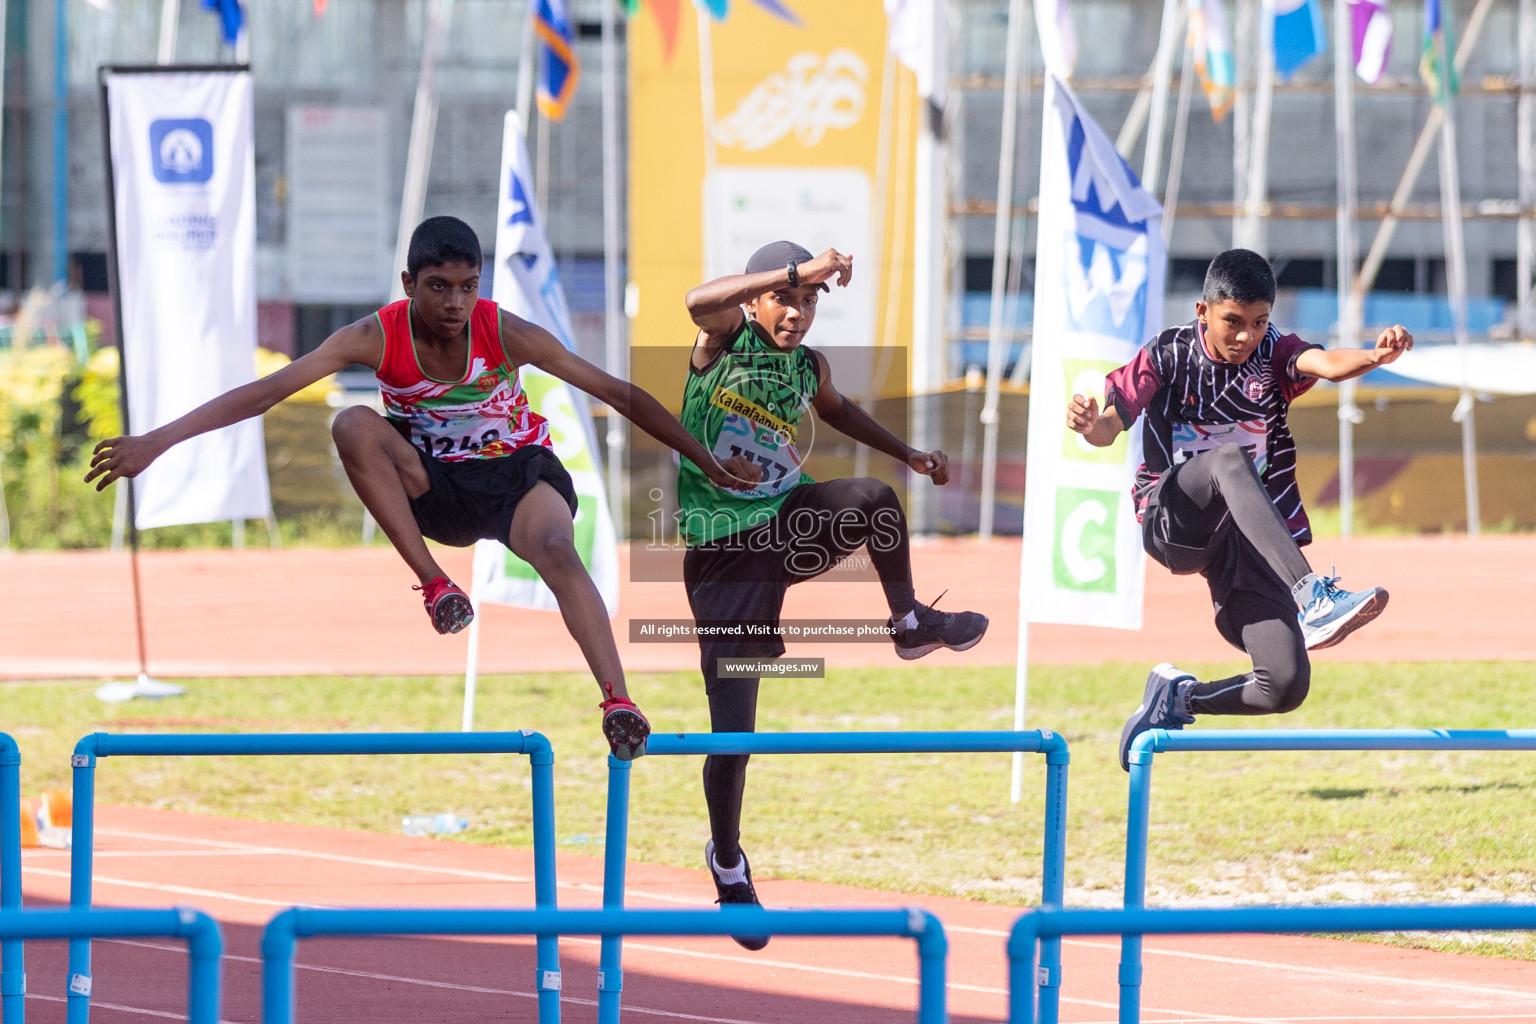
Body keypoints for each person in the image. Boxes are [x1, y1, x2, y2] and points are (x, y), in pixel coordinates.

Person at [86, 215, 759, 762]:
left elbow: (617, 391)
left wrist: (707, 461)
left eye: (467, 287)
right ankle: (437, 585)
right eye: (439, 287)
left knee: (557, 548)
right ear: (409, 282)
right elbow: (266, 392)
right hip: (432, 486)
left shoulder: (504, 332)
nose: (454, 304)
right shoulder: (372, 337)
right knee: (352, 423)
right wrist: (156, 442)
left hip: (518, 475)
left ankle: (617, 700)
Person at [677, 239, 989, 949]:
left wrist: (907, 453)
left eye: (810, 300)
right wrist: (797, 269)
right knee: (735, 735)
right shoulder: (721, 342)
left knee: (873, 499)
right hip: (727, 557)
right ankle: (727, 860)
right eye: (786, 299)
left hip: (786, 524)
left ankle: (908, 620)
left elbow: (839, 409)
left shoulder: (807, 366)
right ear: (756, 301)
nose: (798, 311)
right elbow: (699, 300)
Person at [1065, 249, 1414, 771]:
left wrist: (1374, 357)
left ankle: (1176, 700)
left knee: (1286, 682)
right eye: (1233, 322)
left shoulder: (1273, 354)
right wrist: (1090, 422)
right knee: (1226, 461)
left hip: (1247, 539)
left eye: (1259, 323)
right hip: (1174, 519)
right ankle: (1312, 596)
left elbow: (1323, 362)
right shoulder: (1167, 354)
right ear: (1203, 311)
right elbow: (1110, 427)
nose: (1246, 337)